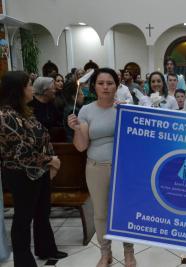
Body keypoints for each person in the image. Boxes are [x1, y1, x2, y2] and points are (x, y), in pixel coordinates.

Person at [67, 68, 135, 267]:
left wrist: (128, 115)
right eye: (101, 83)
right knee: (100, 213)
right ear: (94, 86)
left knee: (125, 210)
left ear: (117, 85)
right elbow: (81, 146)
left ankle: (129, 251)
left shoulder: (125, 108)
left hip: (123, 168)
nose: (105, 87)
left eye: (110, 83)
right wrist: (77, 129)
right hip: (96, 168)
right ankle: (105, 253)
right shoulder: (86, 110)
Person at [0, 71, 67, 267]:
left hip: (40, 170)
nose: (32, 88)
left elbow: (42, 135)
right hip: (21, 174)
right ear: (18, 89)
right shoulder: (6, 115)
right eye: (29, 85)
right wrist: (50, 160)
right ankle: (23, 261)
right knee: (23, 218)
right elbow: (22, 152)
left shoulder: (24, 110)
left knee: (42, 212)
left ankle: (45, 248)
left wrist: (51, 160)